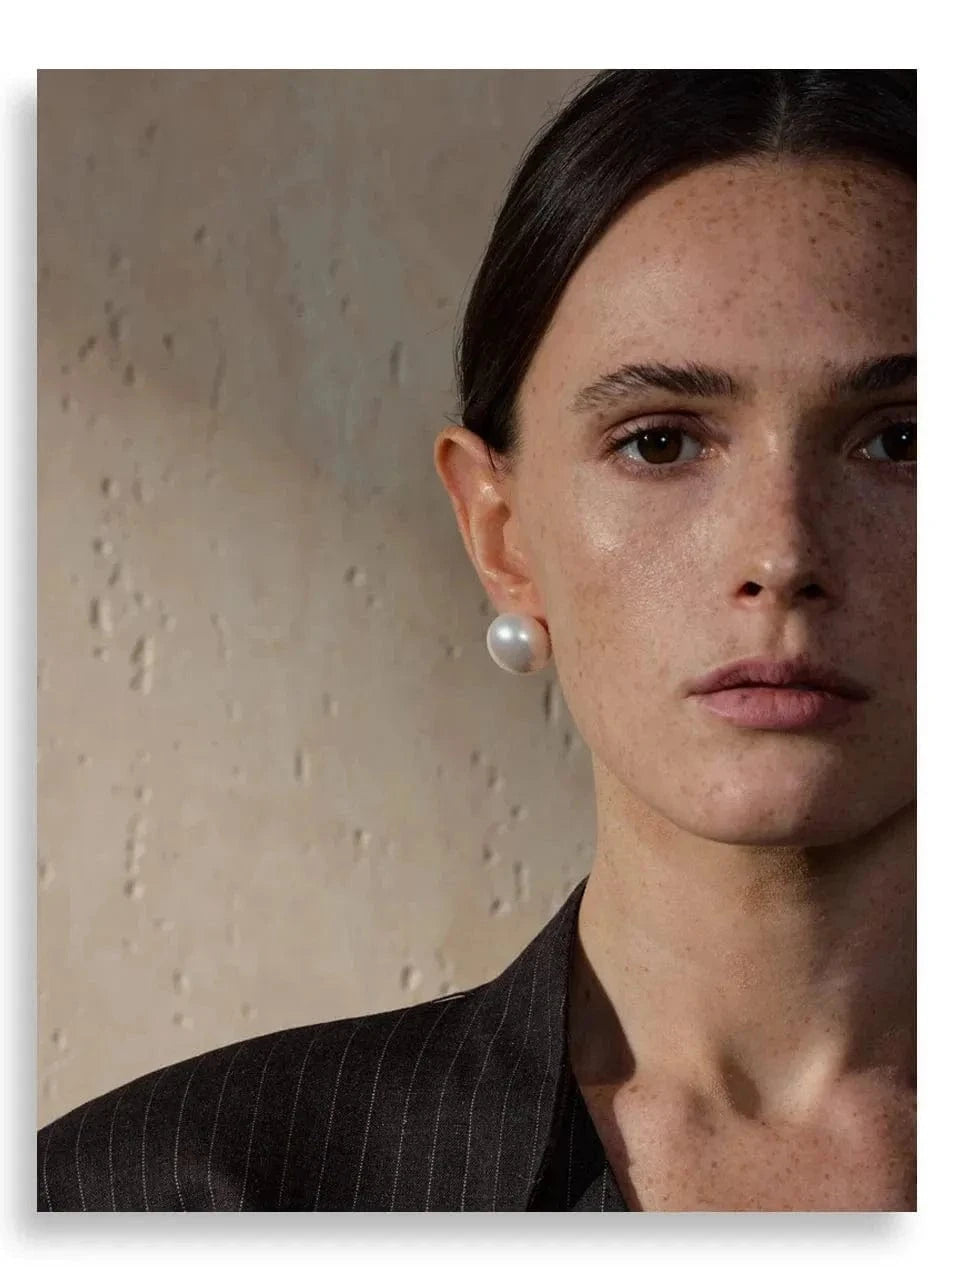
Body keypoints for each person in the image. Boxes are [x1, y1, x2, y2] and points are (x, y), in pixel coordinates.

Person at [37, 68, 916, 1212]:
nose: (782, 553)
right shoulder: (161, 1198)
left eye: (901, 439)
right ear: (500, 532)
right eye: (659, 444)